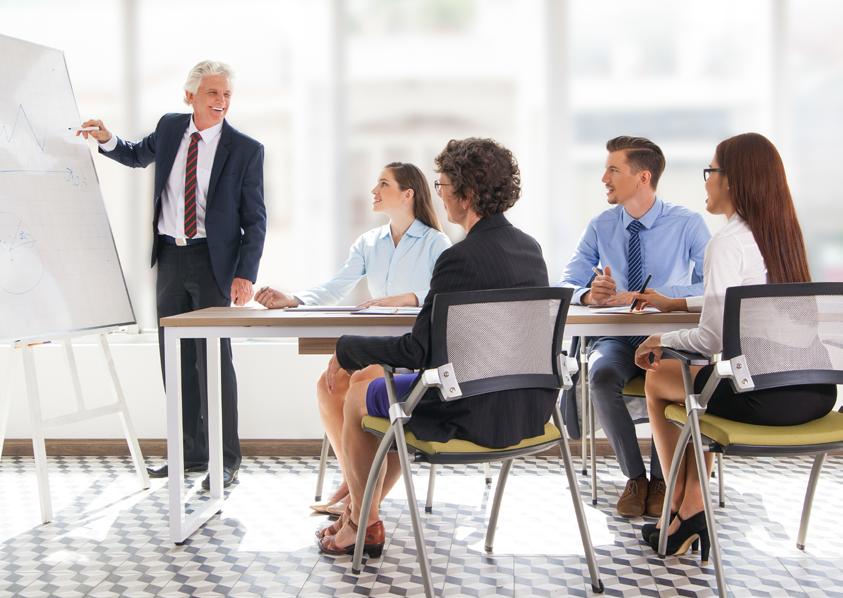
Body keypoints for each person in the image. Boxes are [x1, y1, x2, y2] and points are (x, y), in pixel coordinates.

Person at [315, 138, 553, 556]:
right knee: (377, 388)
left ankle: (361, 522)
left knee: (358, 393)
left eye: (443, 184)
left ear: (467, 192)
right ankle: (359, 513)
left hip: (468, 411)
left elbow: (417, 352)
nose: (438, 193)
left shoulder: (458, 259)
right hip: (527, 409)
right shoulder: (530, 250)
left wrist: (348, 349)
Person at [633, 132, 837, 558]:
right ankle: (688, 509)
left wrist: (661, 337)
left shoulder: (726, 242)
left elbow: (712, 337)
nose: (706, 181)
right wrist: (681, 303)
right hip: (817, 394)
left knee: (659, 378)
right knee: (693, 390)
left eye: (711, 171)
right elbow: (749, 300)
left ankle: (681, 505)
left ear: (733, 181)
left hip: (763, 398)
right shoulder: (783, 233)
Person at [80, 60, 266, 489]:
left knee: (213, 363)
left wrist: (245, 274)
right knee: (176, 361)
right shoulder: (168, 129)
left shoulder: (245, 149)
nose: (220, 102)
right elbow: (134, 154)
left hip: (213, 264)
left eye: (226, 96)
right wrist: (107, 138)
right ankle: (189, 454)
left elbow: (255, 220)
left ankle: (226, 458)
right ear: (190, 97)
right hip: (169, 258)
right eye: (212, 94)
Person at [254, 162, 450, 514]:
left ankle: (357, 502)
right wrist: (294, 299)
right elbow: (337, 285)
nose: (374, 191)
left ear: (408, 194)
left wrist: (410, 297)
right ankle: (357, 488)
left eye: (383, 184)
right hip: (376, 344)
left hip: (415, 349)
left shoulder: (436, 242)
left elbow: (446, 293)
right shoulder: (369, 242)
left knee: (363, 381)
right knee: (327, 385)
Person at [559, 136, 711, 518]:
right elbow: (567, 283)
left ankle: (664, 479)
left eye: (613, 169)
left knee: (669, 378)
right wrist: (589, 295)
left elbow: (711, 285)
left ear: (643, 177)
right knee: (601, 375)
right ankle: (636, 478)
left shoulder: (688, 223)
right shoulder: (600, 226)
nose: (603, 178)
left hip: (667, 338)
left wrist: (654, 295)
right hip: (614, 337)